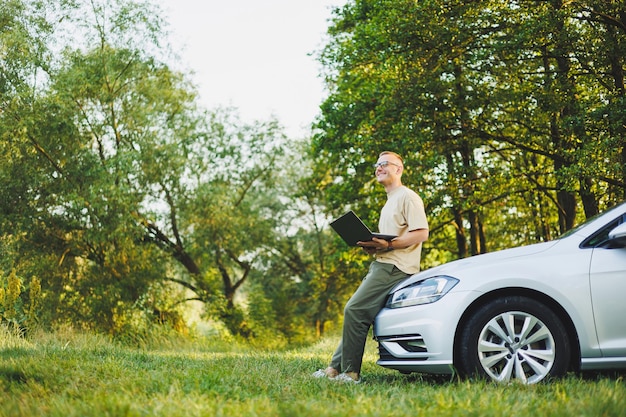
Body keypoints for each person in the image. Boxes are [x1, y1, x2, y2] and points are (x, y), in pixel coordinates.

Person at [313, 151, 429, 384]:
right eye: (377, 165)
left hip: (396, 268)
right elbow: (392, 240)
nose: (379, 168)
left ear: (399, 169)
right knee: (358, 313)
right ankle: (333, 370)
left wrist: (388, 244)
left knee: (354, 310)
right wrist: (374, 246)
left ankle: (351, 373)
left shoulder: (408, 197)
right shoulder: (390, 201)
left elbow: (421, 233)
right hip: (383, 264)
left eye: (385, 164)